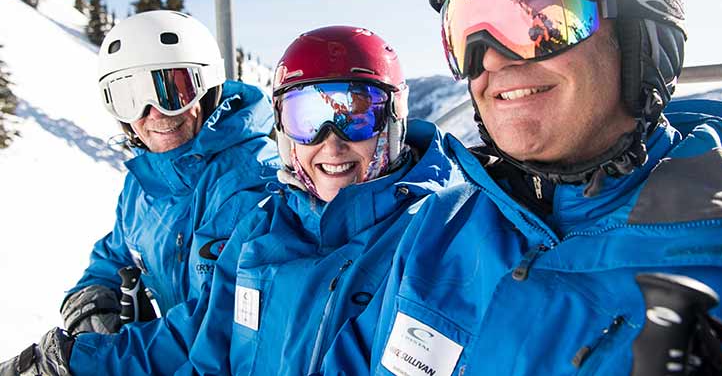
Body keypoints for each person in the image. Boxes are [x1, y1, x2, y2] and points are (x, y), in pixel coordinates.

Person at [318, 0, 722, 375]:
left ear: (643, 40)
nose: (490, 60)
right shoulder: (439, 227)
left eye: (540, 24)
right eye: (468, 33)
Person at [0, 26, 464, 375]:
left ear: (394, 120)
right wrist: (78, 357)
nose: (331, 142)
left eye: (354, 116)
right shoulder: (264, 229)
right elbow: (204, 346)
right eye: (307, 119)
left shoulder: (441, 241)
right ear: (284, 128)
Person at [0, 10, 279, 374]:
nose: (154, 114)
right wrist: (93, 303)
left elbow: (224, 325)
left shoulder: (253, 182)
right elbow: (115, 252)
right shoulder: (144, 183)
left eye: (173, 91)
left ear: (208, 87)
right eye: (129, 98)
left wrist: (84, 362)